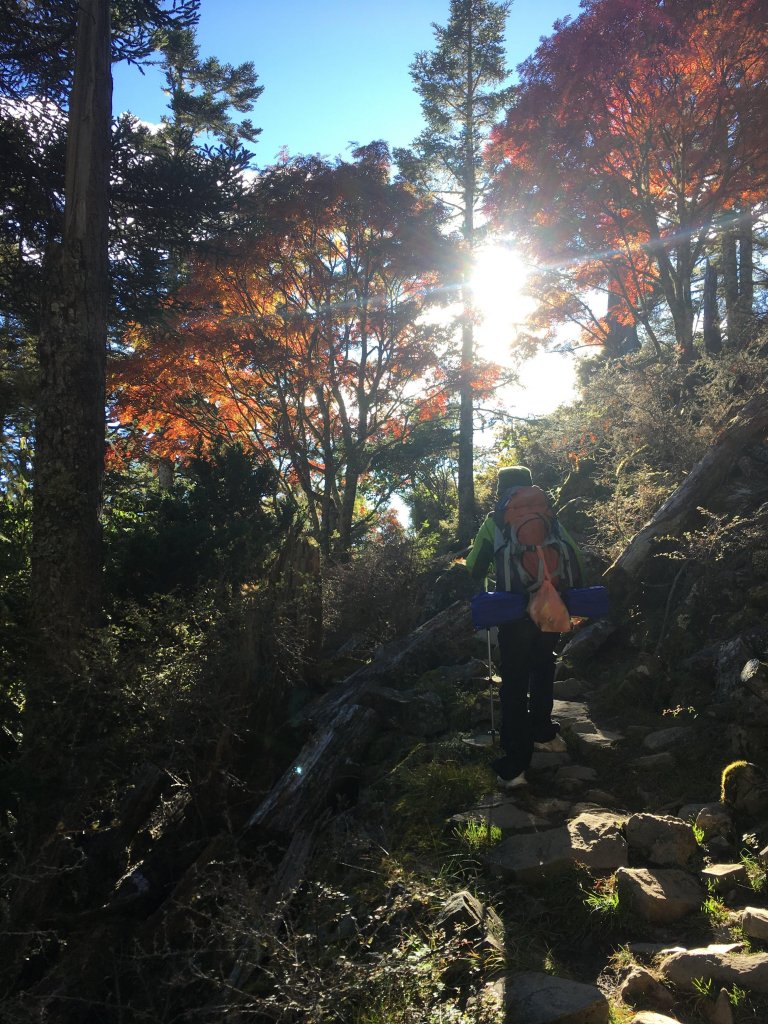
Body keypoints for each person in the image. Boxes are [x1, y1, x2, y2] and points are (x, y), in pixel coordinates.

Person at [464, 465, 585, 791]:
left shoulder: (495, 521)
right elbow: (576, 556)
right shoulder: (550, 517)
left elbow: (474, 567)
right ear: (530, 487)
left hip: (515, 611)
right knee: (543, 666)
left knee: (514, 682)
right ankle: (544, 733)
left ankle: (515, 767)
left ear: (503, 491)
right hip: (551, 606)